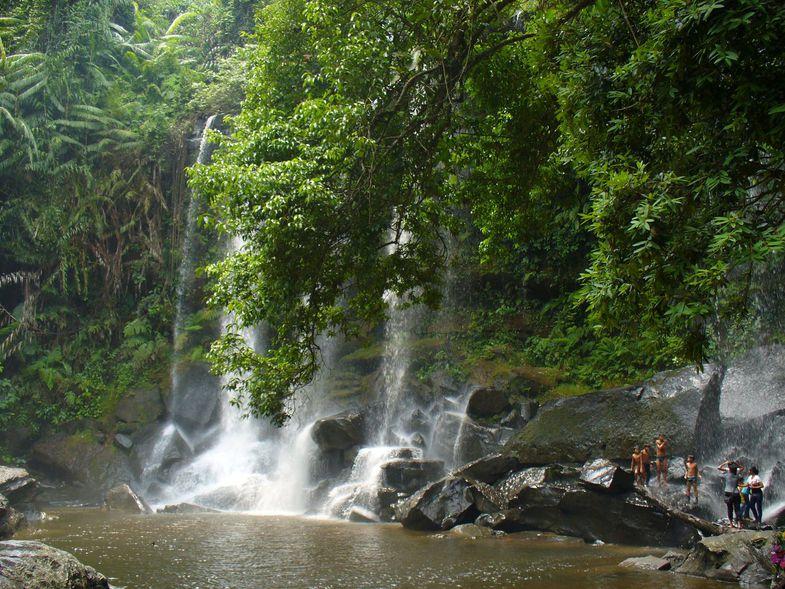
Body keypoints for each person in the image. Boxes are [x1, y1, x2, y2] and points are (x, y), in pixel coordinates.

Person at [718, 460, 745, 528]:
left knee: (729, 509)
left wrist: (725, 463)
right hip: (736, 493)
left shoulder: (726, 474)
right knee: (737, 509)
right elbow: (742, 468)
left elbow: (719, 468)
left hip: (728, 493)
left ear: (729, 468)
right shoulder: (737, 474)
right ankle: (739, 524)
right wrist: (736, 463)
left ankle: (731, 524)